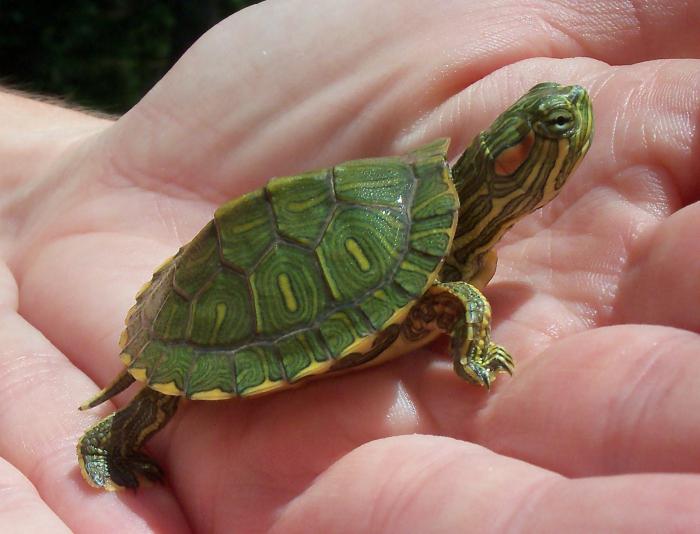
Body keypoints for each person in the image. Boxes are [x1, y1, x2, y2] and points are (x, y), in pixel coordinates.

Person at [1, 0, 699, 531]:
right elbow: (454, 300)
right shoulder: (438, 242)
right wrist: (474, 349)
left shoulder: (427, 200)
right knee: (170, 390)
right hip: (224, 304)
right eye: (550, 126)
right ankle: (116, 435)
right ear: (505, 157)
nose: (574, 115)